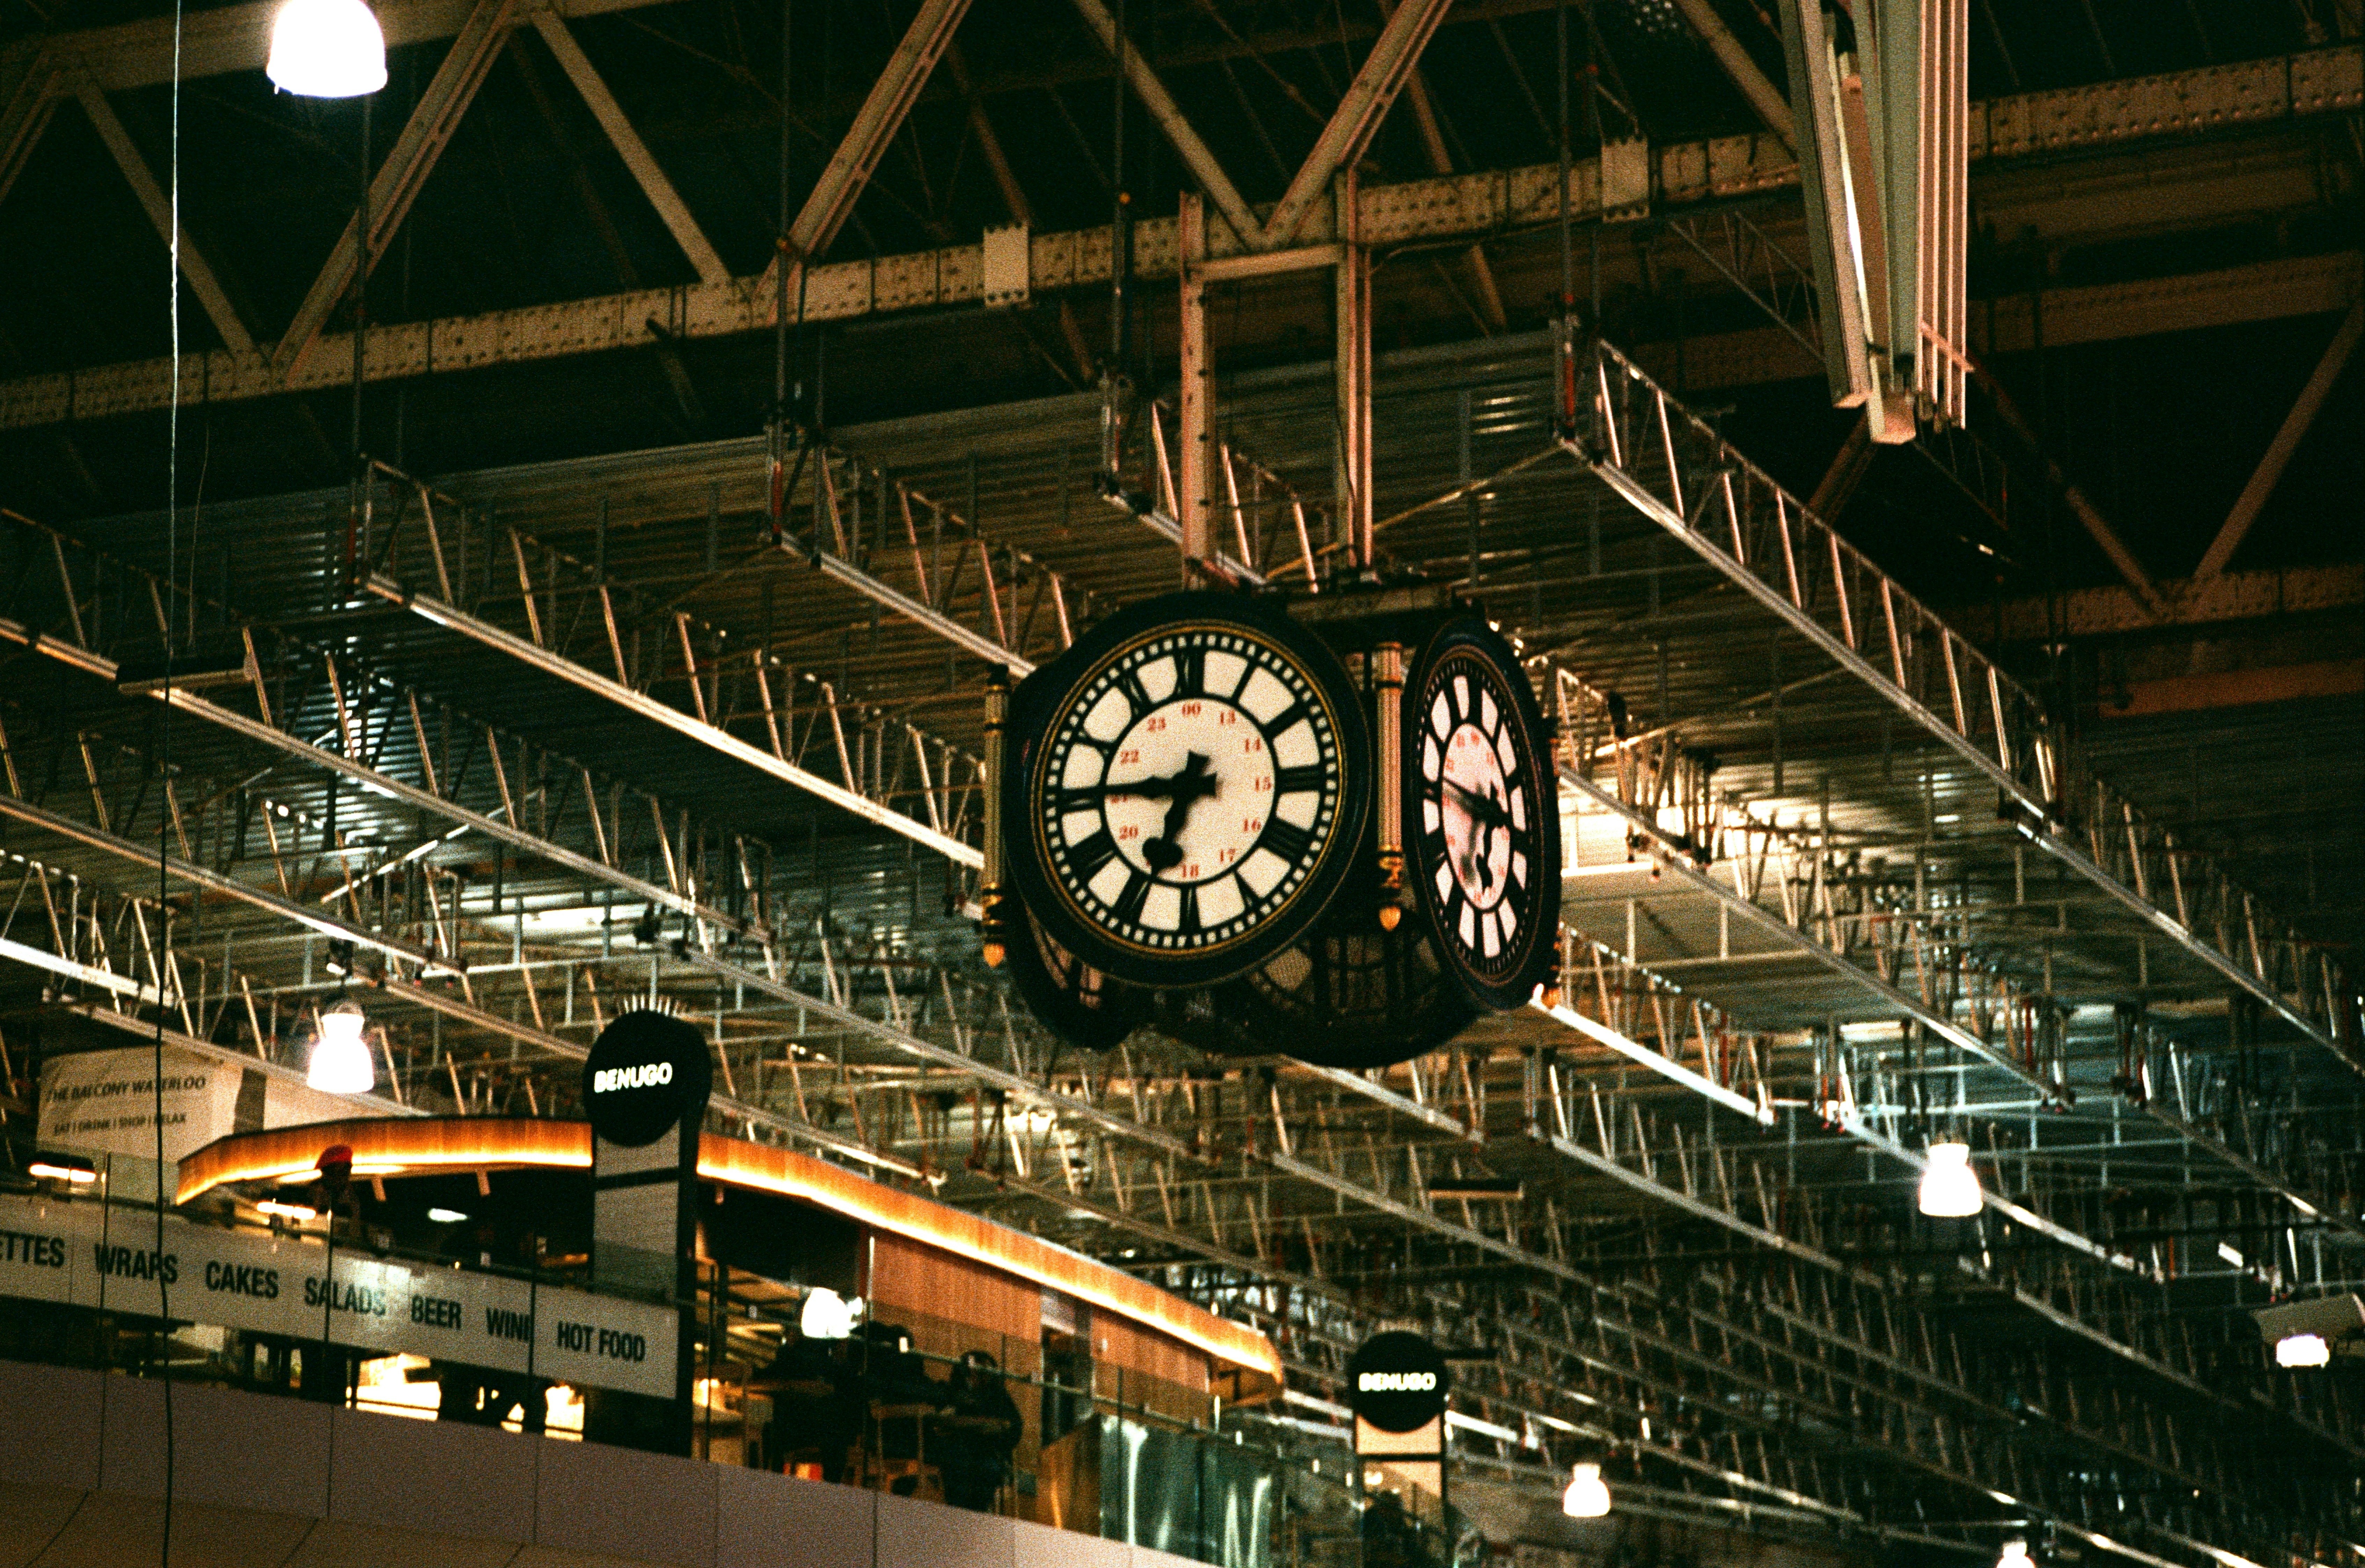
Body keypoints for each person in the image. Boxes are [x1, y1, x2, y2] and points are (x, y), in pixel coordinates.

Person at [936, 1350, 1021, 1512]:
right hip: (958, 1452)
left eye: (985, 1372)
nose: (981, 1377)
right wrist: (980, 1423)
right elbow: (942, 1420)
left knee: (988, 1469)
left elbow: (1013, 1427)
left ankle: (976, 1514)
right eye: (976, 1372)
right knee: (958, 1467)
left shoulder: (998, 1397)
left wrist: (993, 1430)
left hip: (989, 1453)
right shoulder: (953, 1393)